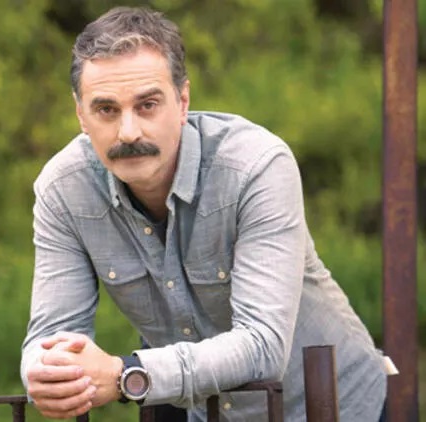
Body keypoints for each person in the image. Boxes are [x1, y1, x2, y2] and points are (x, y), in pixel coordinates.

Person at [20, 5, 389, 422]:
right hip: (200, 411)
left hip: (334, 408)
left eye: (147, 105)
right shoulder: (63, 189)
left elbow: (264, 345)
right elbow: (49, 339)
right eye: (106, 109)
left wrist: (128, 375)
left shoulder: (255, 166)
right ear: (80, 115)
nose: (129, 132)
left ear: (182, 101)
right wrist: (48, 373)